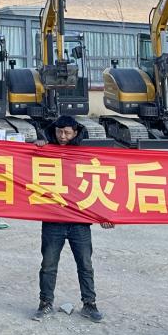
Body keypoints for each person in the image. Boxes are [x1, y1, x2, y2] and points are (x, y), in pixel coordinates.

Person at [32, 115, 114, 322]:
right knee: (48, 265)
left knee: (85, 264)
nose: (62, 136)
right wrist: (38, 147)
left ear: (75, 133)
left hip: (79, 222)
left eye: (67, 133)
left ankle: (89, 304)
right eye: (59, 132)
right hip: (53, 219)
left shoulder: (84, 155)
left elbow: (97, 184)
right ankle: (45, 303)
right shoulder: (46, 151)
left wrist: (104, 215)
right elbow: (25, 167)